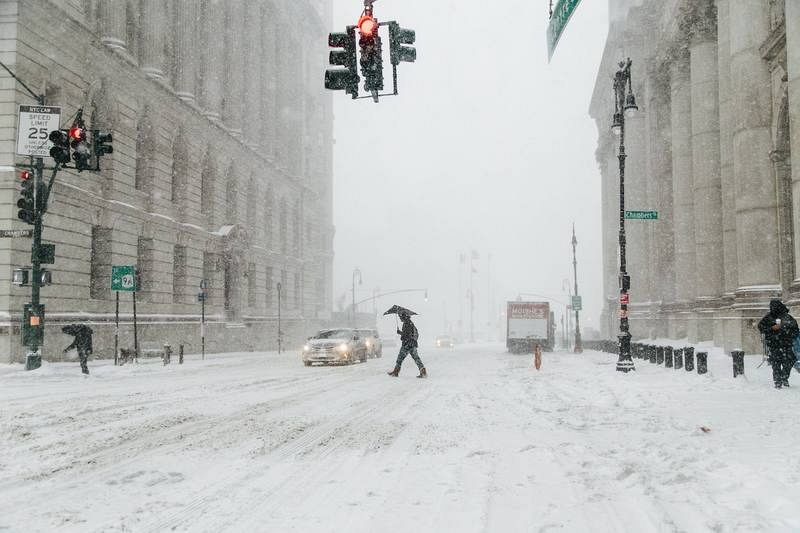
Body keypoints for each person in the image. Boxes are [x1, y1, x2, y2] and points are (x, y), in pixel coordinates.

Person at [757, 299, 798, 388]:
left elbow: (795, 330)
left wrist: (788, 333)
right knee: (776, 363)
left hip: (786, 344)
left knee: (790, 361)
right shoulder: (769, 317)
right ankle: (778, 381)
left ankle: (784, 377)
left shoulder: (787, 317)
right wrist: (772, 328)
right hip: (774, 344)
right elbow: (761, 327)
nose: (773, 309)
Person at [387, 312, 427, 378]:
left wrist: (399, 332)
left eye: (401, 317)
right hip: (412, 344)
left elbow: (406, 335)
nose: (400, 319)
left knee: (400, 358)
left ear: (404, 317)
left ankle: (396, 372)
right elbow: (409, 334)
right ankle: (423, 371)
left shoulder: (406, 324)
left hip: (407, 344)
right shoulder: (410, 323)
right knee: (416, 358)